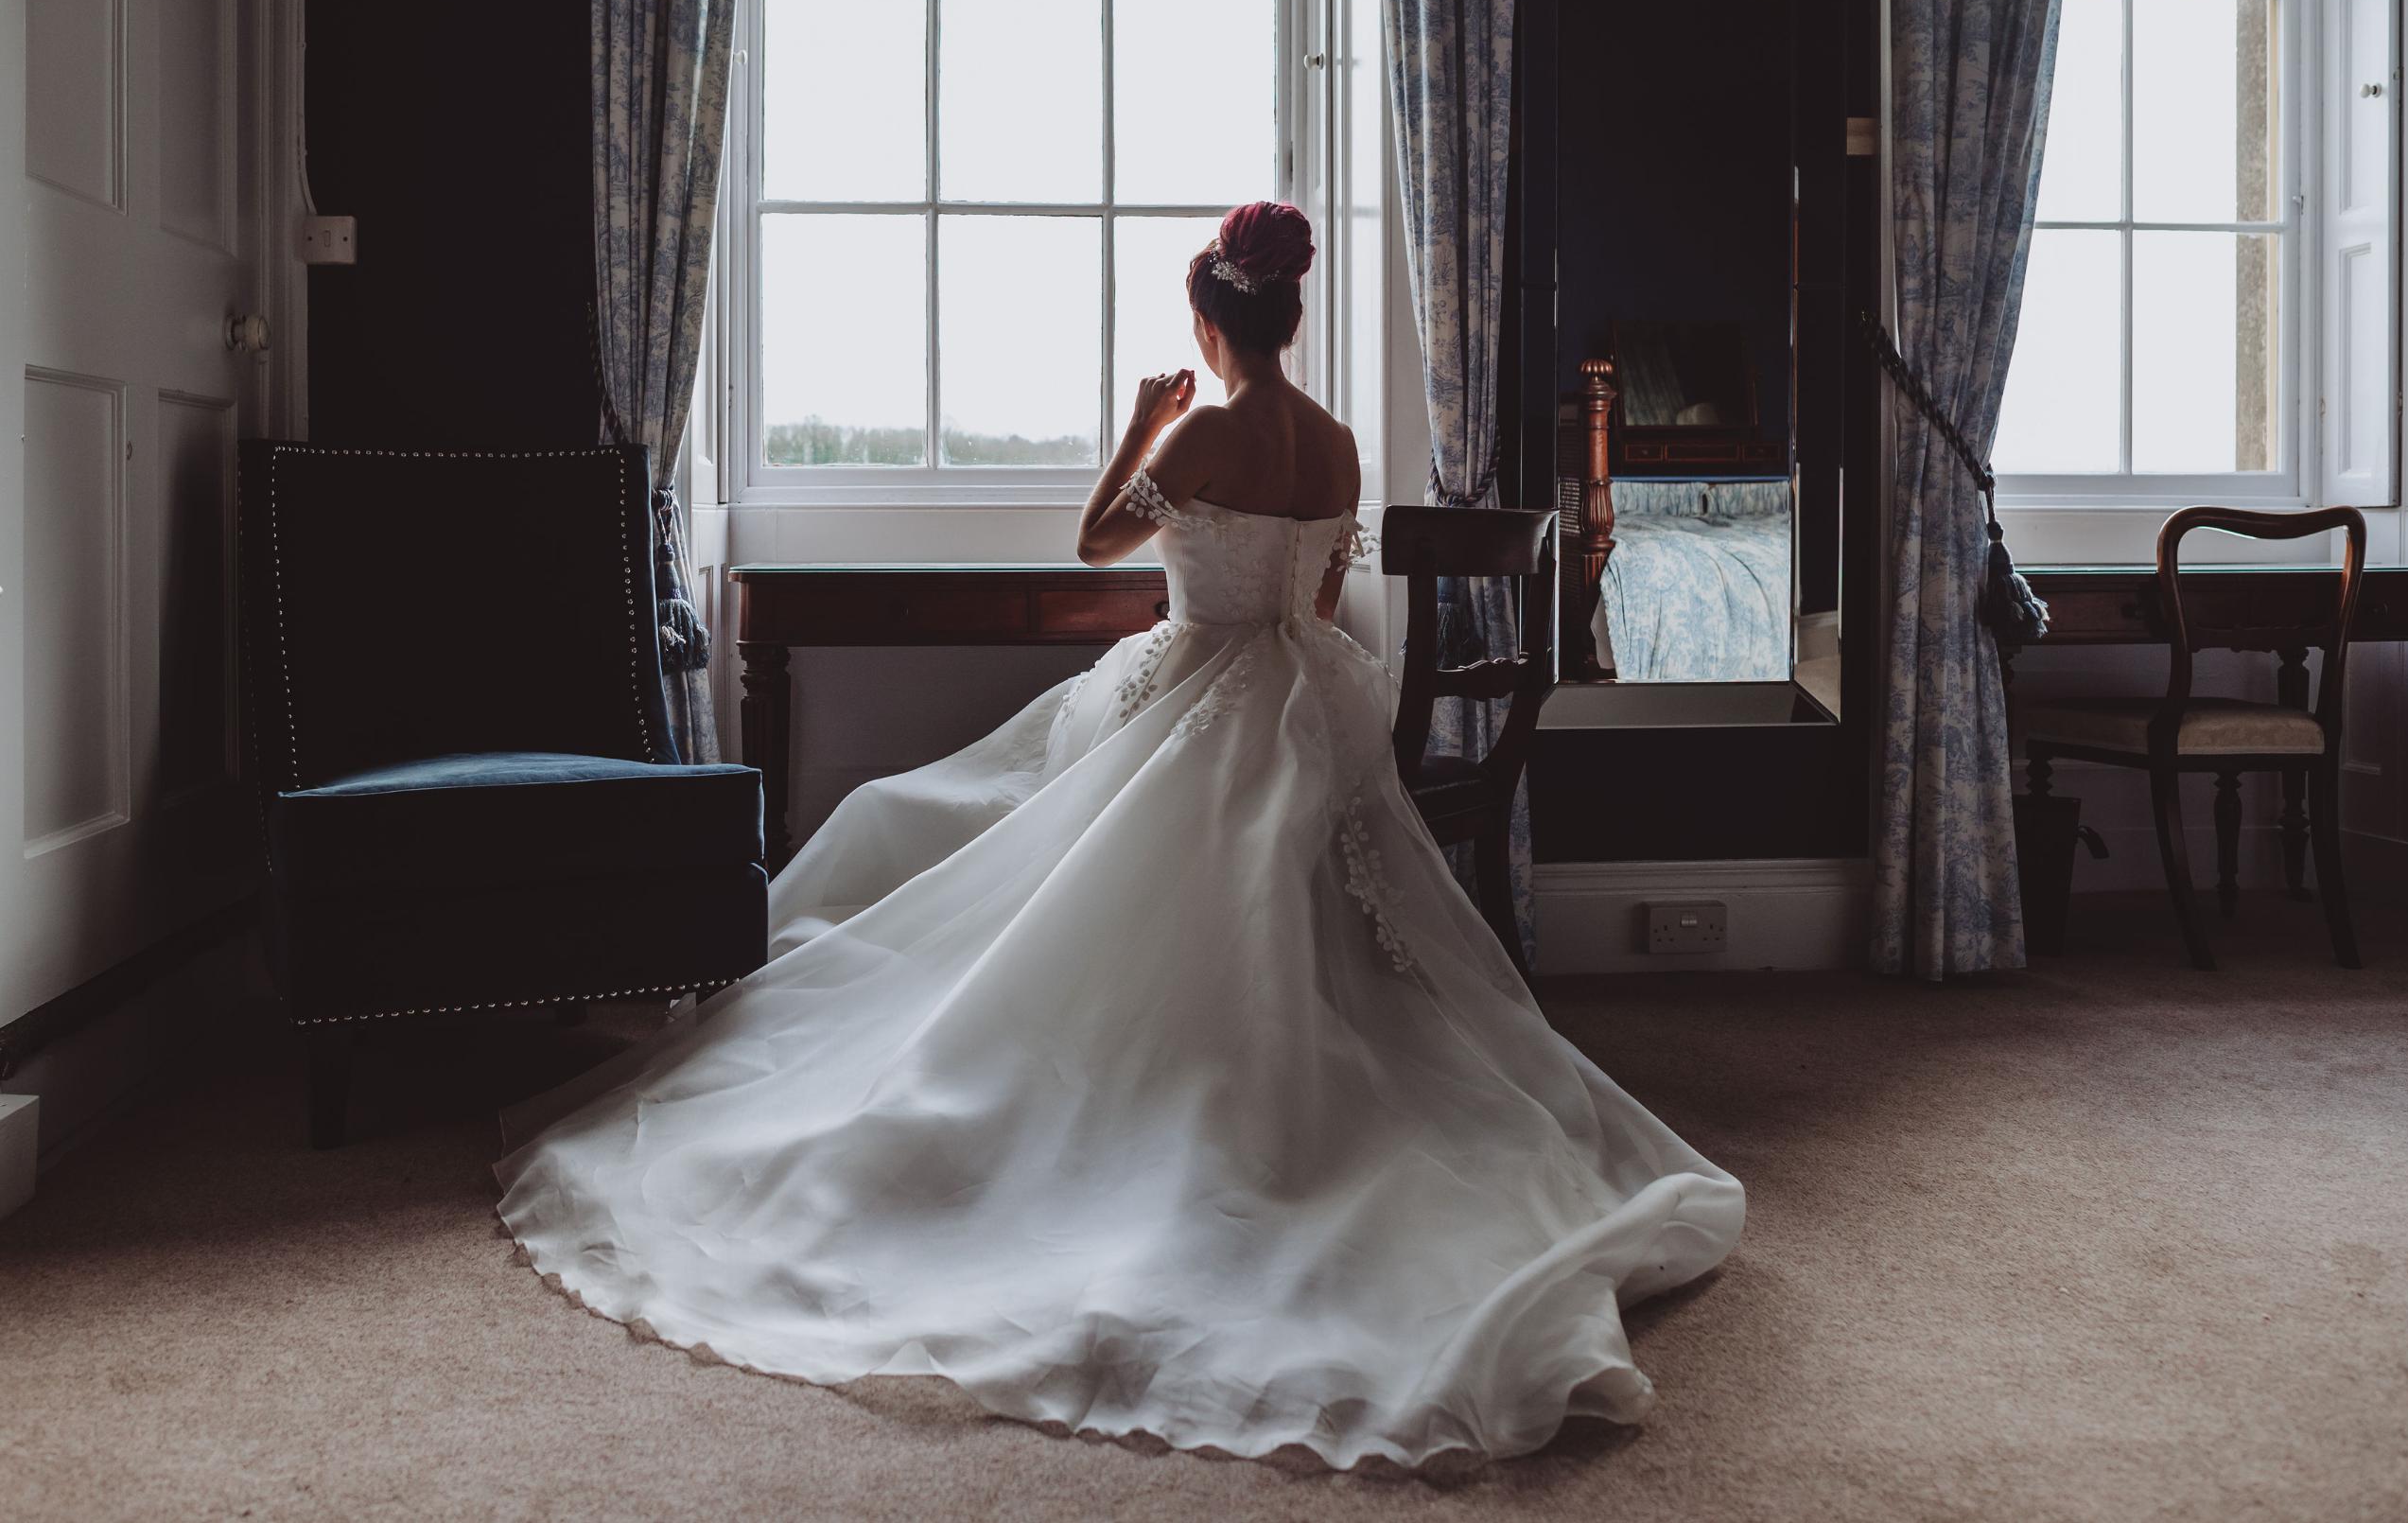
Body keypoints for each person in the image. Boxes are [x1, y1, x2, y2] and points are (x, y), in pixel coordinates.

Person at [496, 201, 1744, 1469]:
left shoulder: (1202, 427)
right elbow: (1316, 598)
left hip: (1201, 680)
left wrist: (1141, 430)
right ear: (1291, 315)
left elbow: (1098, 542)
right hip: (1306, 690)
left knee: (1003, 835)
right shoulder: (1338, 442)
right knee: (1241, 867)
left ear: (1210, 324)